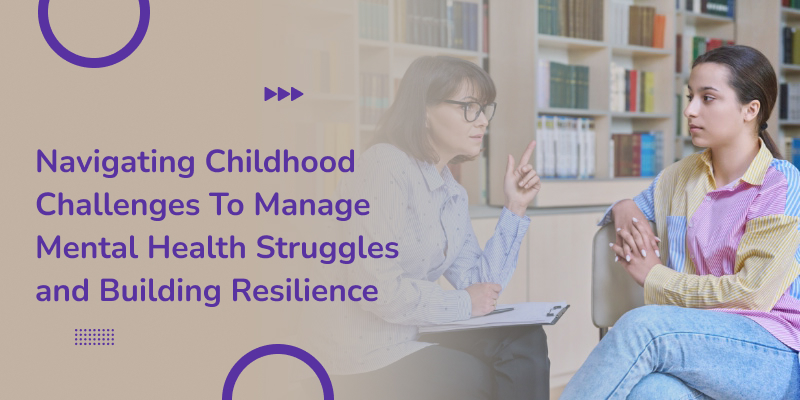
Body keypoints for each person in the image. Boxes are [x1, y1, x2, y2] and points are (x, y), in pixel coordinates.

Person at [561, 45, 800, 399]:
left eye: (708, 98)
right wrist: (624, 205)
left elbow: (752, 296)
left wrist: (655, 276)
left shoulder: (780, 183)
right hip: (698, 347)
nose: (689, 110)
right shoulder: (680, 176)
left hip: (770, 354)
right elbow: (633, 211)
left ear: (750, 110)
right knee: (653, 391)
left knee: (644, 325)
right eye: (690, 97)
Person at [312, 55, 549, 400]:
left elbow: (477, 287)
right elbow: (376, 288)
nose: (482, 120)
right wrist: (462, 303)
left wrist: (515, 207)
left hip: (411, 333)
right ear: (423, 110)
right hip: (361, 353)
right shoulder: (384, 165)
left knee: (524, 339)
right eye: (468, 107)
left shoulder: (452, 192)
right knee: (471, 377)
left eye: (484, 109)